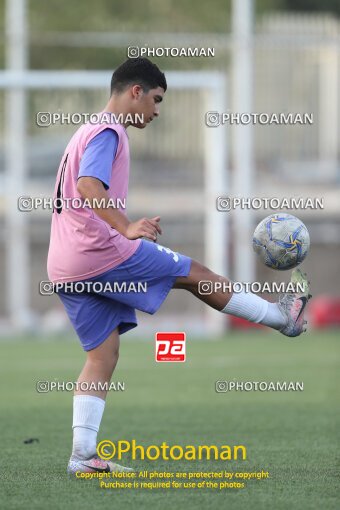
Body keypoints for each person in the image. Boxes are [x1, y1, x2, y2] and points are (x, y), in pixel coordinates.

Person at [47, 57, 311, 474]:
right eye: (155, 100)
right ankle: (282, 319)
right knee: (194, 274)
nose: (155, 111)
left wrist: (125, 225)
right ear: (135, 92)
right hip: (101, 251)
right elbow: (87, 186)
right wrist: (127, 226)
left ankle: (82, 456)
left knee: (103, 355)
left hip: (65, 265)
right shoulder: (109, 131)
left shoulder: (85, 130)